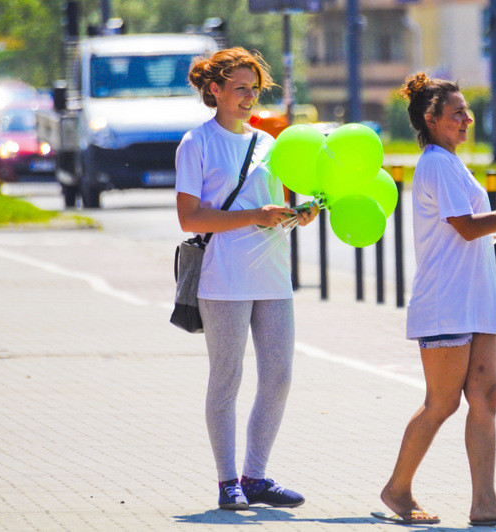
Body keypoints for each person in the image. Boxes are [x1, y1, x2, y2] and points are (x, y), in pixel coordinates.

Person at [373, 72, 496, 526]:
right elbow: (463, 225)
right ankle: (397, 489)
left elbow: (470, 226)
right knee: (442, 403)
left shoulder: (452, 164)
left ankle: (484, 503)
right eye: (457, 112)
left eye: (466, 111)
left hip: (474, 298)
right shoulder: (436, 163)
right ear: (431, 118)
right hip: (445, 300)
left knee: (486, 395)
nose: (466, 119)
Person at [175, 47, 319, 511]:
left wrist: (300, 213)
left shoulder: (268, 143)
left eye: (254, 89)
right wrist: (255, 215)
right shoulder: (196, 143)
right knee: (227, 378)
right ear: (213, 90)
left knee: (278, 376)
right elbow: (189, 217)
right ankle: (226, 482)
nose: (249, 97)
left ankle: (255, 476)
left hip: (273, 275)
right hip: (224, 277)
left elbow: (277, 204)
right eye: (240, 88)